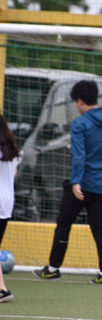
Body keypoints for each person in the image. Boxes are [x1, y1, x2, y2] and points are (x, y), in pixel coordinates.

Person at [33, 79, 102, 284]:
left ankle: (53, 269)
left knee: (64, 223)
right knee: (98, 227)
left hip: (83, 184)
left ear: (80, 101)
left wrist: (75, 182)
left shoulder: (80, 123)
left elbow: (79, 155)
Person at [0, 114, 19, 302]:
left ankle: (3, 290)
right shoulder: (11, 149)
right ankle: (2, 290)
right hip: (6, 204)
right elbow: (13, 173)